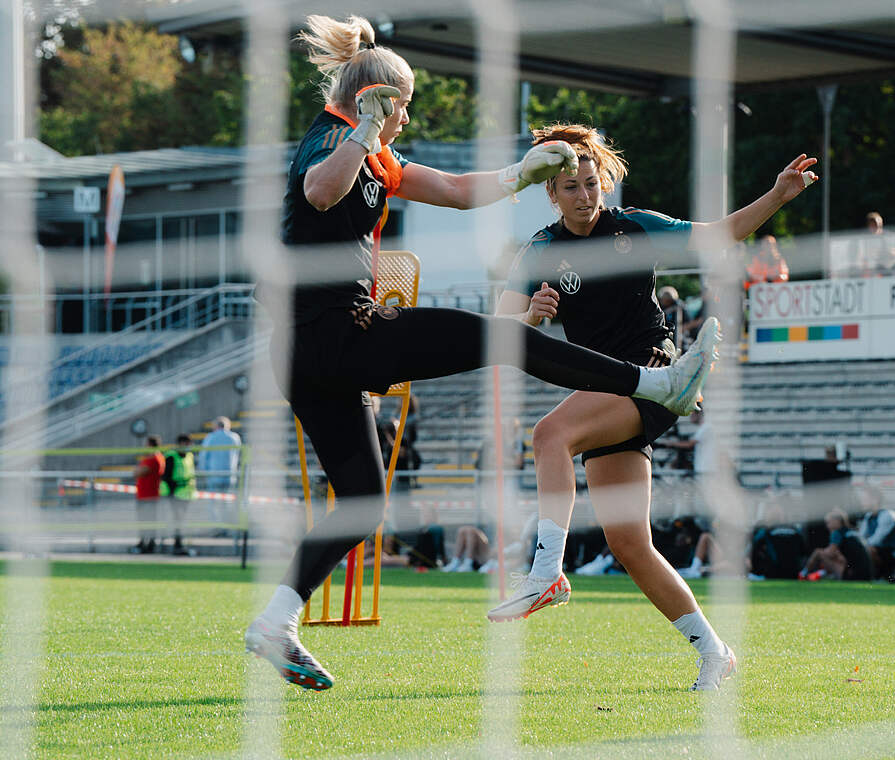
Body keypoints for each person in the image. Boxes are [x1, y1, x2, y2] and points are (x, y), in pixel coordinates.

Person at [243, 17, 723, 693]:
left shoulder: (376, 154)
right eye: (402, 106)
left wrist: (522, 174)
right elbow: (320, 190)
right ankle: (656, 382)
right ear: (374, 101)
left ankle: (274, 621)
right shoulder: (332, 137)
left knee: (362, 501)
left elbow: (460, 192)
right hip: (336, 334)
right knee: (505, 340)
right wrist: (361, 130)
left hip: (311, 352)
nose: (405, 119)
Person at [487, 122, 817, 691]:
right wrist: (531, 314)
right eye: (571, 187)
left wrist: (778, 195)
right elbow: (497, 329)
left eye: (592, 184)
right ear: (551, 193)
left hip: (654, 374)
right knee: (629, 545)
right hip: (602, 387)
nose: (585, 195)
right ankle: (715, 653)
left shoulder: (633, 227)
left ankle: (546, 572)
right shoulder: (540, 249)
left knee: (549, 435)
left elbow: (718, 234)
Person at [198, 416, 241, 530]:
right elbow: (238, 455)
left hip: (213, 475)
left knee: (213, 503)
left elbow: (203, 456)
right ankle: (227, 527)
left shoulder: (210, 437)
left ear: (216, 426)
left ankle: (216, 527)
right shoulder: (235, 437)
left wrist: (203, 473)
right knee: (227, 503)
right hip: (230, 476)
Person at [161, 433, 197, 556]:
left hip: (187, 494)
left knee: (182, 521)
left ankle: (180, 544)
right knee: (178, 520)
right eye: (187, 443)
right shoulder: (171, 456)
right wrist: (172, 492)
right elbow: (167, 476)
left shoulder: (189, 456)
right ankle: (178, 545)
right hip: (176, 494)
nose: (189, 446)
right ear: (181, 443)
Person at [131, 435, 165, 555]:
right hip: (145, 494)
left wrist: (137, 470)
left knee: (148, 520)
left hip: (148, 495)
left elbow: (138, 472)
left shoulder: (154, 459)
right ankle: (143, 542)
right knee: (144, 520)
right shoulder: (153, 458)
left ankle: (149, 543)